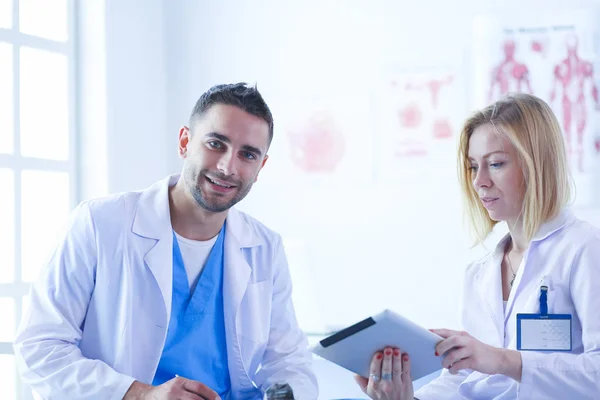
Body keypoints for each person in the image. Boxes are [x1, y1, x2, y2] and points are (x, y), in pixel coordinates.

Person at [13, 83, 318, 399]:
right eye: (216, 143)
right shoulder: (99, 224)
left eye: (248, 154)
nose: (228, 167)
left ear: (260, 167)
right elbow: (40, 347)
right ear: (185, 142)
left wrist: (288, 394)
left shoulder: (265, 248)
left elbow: (289, 361)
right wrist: (141, 394)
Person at [355, 93, 600, 399]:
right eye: (473, 167)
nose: (479, 181)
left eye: (495, 164)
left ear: (537, 164)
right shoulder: (481, 272)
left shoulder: (585, 250)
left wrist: (501, 359)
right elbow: (467, 380)